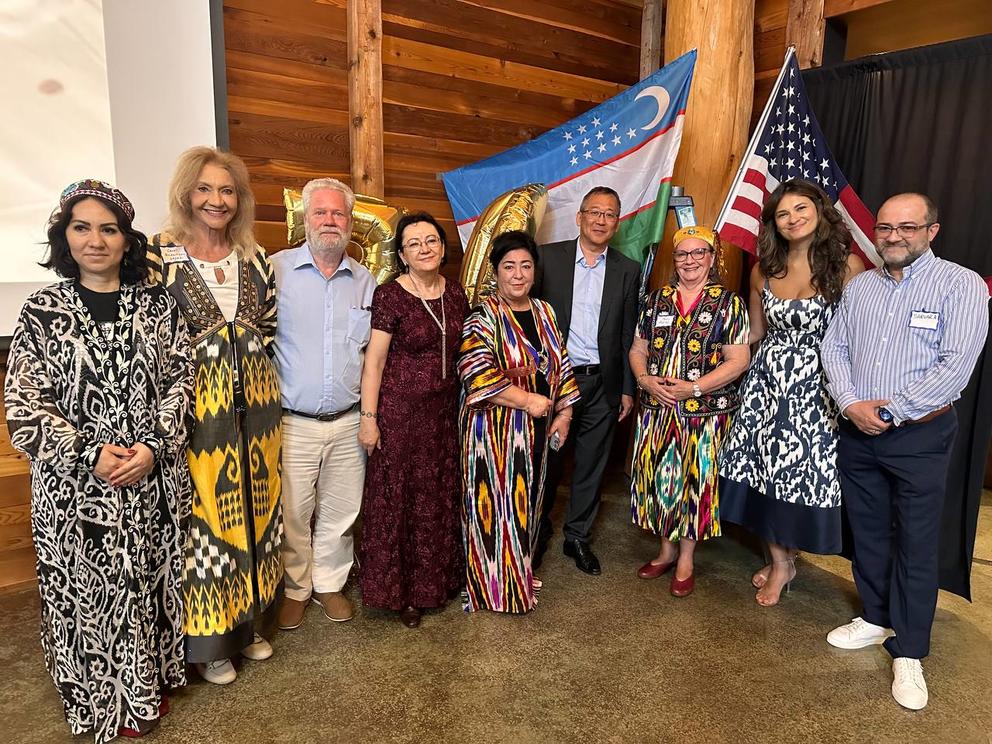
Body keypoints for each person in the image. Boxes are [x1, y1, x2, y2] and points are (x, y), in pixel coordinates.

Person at [4, 180, 193, 741]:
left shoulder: (158, 303)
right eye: (82, 227)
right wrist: (89, 454)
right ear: (65, 237)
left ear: (126, 239)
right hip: (75, 492)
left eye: (108, 228)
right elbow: (22, 405)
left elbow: (182, 379)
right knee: (88, 594)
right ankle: (99, 700)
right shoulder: (41, 309)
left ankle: (148, 684)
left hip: (151, 480)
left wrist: (154, 449)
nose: (96, 239)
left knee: (150, 584)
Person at [821, 192, 988, 711]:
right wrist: (850, 403)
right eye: (886, 227)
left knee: (916, 541)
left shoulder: (961, 285)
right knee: (868, 531)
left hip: (920, 434)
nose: (893, 236)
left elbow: (956, 364)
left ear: (931, 232)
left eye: (907, 228)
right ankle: (875, 617)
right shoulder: (861, 287)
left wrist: (891, 411)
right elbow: (835, 348)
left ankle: (910, 649)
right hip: (859, 430)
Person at [147, 147, 283, 685]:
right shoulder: (159, 256)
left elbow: (267, 328)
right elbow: (146, 336)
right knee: (205, 524)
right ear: (186, 194)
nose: (216, 201)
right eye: (205, 189)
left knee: (255, 513)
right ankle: (209, 643)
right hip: (194, 412)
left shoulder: (254, 256)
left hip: (258, 409)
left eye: (227, 191)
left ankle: (248, 627)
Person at [719, 179, 863, 606]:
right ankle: (780, 562)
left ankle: (789, 555)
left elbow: (858, 336)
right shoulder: (764, 268)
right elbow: (756, 333)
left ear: (819, 213)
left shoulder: (847, 266)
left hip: (820, 387)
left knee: (801, 477)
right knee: (762, 470)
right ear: (774, 224)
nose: (793, 218)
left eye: (801, 209)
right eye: (783, 213)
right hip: (767, 383)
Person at [271, 177, 376, 630]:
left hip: (349, 420)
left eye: (339, 214)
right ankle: (296, 587)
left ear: (350, 222)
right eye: (321, 212)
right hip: (292, 421)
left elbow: (371, 353)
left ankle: (329, 584)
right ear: (305, 219)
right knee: (293, 511)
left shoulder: (365, 281)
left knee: (341, 509)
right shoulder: (274, 271)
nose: (330, 221)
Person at [458, 230, 581, 613]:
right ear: (495, 271)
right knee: (492, 505)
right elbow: (474, 373)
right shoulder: (483, 315)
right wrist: (528, 400)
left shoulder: (545, 311)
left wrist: (565, 411)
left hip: (537, 429)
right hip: (491, 431)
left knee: (527, 502)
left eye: (525, 265)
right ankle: (494, 587)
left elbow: (561, 361)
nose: (518, 274)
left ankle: (518, 570)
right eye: (509, 266)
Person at [358, 212, 468, 628]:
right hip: (400, 415)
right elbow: (375, 362)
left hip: (443, 416)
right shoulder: (391, 295)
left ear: (442, 247)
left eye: (431, 240)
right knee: (400, 501)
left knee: (436, 498)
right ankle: (401, 593)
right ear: (402, 254)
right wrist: (369, 418)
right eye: (414, 243)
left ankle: (434, 584)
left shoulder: (455, 294)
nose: (424, 248)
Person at [629, 227, 750, 597]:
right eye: (683, 254)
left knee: (695, 485)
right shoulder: (656, 301)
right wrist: (645, 380)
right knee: (659, 480)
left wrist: (694, 388)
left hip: (704, 415)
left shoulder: (729, 304)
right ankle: (664, 551)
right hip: (657, 411)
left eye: (699, 253)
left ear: (712, 260)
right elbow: (638, 348)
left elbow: (738, 360)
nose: (690, 260)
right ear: (674, 260)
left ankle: (686, 559)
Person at [532, 186, 640, 575]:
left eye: (609, 214)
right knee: (548, 460)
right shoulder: (548, 259)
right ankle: (536, 531)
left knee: (592, 464)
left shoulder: (628, 270)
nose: (601, 220)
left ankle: (576, 536)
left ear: (616, 222)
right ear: (579, 217)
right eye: (594, 212)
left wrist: (628, 387)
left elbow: (629, 333)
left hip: (603, 384)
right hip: (555, 382)